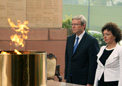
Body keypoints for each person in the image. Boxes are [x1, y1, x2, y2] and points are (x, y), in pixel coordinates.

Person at [64, 15, 100, 86]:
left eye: (76, 24)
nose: (73, 26)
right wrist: (66, 77)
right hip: (70, 79)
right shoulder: (69, 39)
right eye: (72, 24)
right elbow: (67, 59)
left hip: (83, 80)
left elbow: (93, 64)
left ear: (83, 26)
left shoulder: (92, 41)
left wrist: (90, 82)